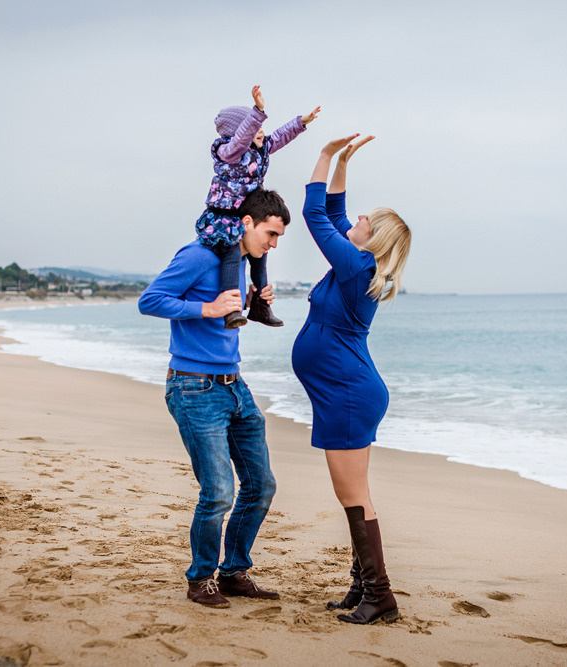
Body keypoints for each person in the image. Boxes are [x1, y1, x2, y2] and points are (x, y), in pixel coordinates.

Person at [138, 188, 291, 608]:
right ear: (246, 222)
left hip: (234, 385)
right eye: (271, 234)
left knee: (260, 486)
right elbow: (149, 301)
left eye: (278, 238)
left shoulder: (238, 262)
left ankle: (234, 572)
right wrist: (205, 309)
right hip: (193, 386)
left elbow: (227, 316)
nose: (273, 244)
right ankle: (200, 579)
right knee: (219, 490)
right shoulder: (200, 255)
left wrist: (254, 305)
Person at [291, 134, 412, 625]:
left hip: (346, 393)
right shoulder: (357, 262)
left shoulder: (357, 262)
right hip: (348, 389)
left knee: (352, 496)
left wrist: (321, 157)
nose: (356, 219)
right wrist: (342, 162)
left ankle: (379, 595)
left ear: (374, 236)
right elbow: (336, 212)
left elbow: (317, 217)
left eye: (367, 219)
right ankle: (363, 586)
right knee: (356, 494)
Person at [198, 85, 320, 329]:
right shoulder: (229, 152)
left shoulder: (260, 149)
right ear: (239, 132)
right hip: (224, 215)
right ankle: (231, 309)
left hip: (247, 214)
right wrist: (257, 112)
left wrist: (300, 123)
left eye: (261, 127)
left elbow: (280, 137)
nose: (261, 132)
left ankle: (261, 307)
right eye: (254, 128)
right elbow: (243, 137)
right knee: (232, 253)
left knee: (261, 256)